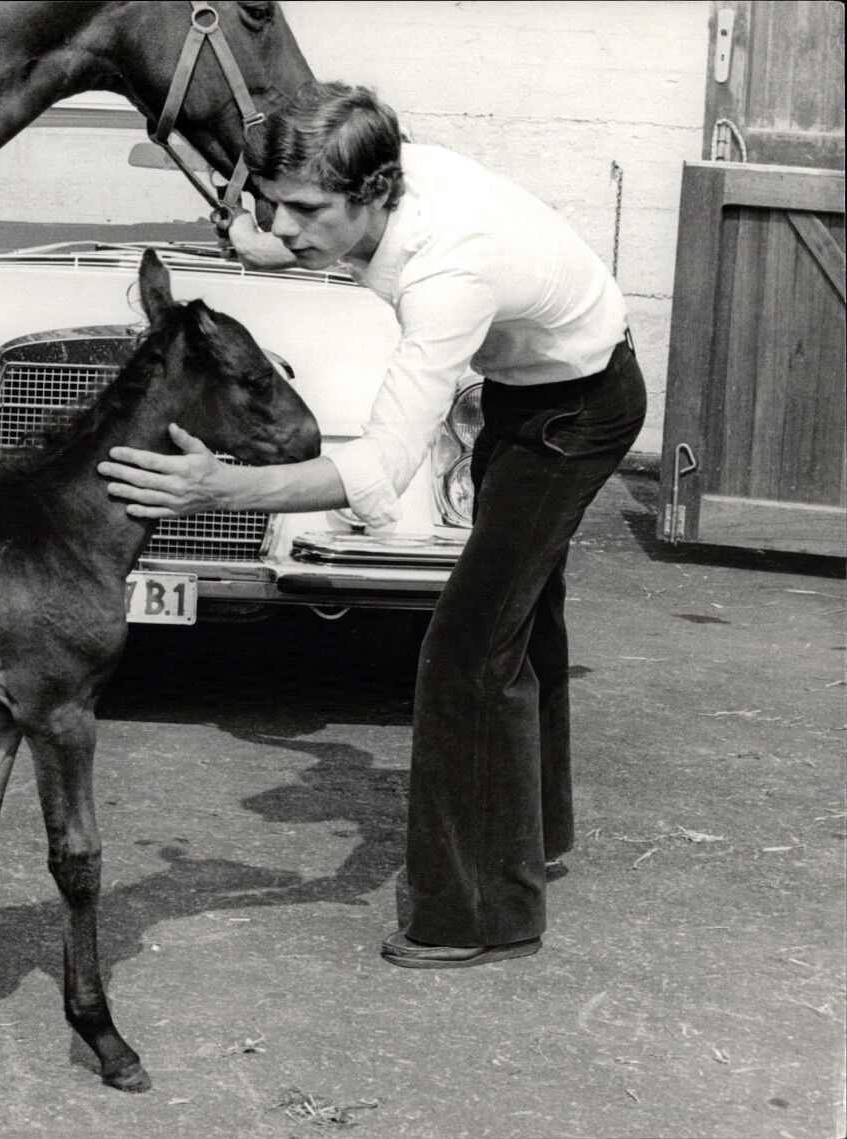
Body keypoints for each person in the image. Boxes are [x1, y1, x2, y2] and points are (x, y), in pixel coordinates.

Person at [99, 80, 646, 968]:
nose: (284, 228)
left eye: (304, 211)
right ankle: (532, 835)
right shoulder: (367, 175)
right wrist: (266, 230)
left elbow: (378, 469)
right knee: (524, 608)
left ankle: (480, 914)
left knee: (466, 650)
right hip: (525, 390)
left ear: (376, 194)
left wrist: (215, 488)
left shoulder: (447, 273)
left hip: (580, 411)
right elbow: (304, 218)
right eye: (275, 206)